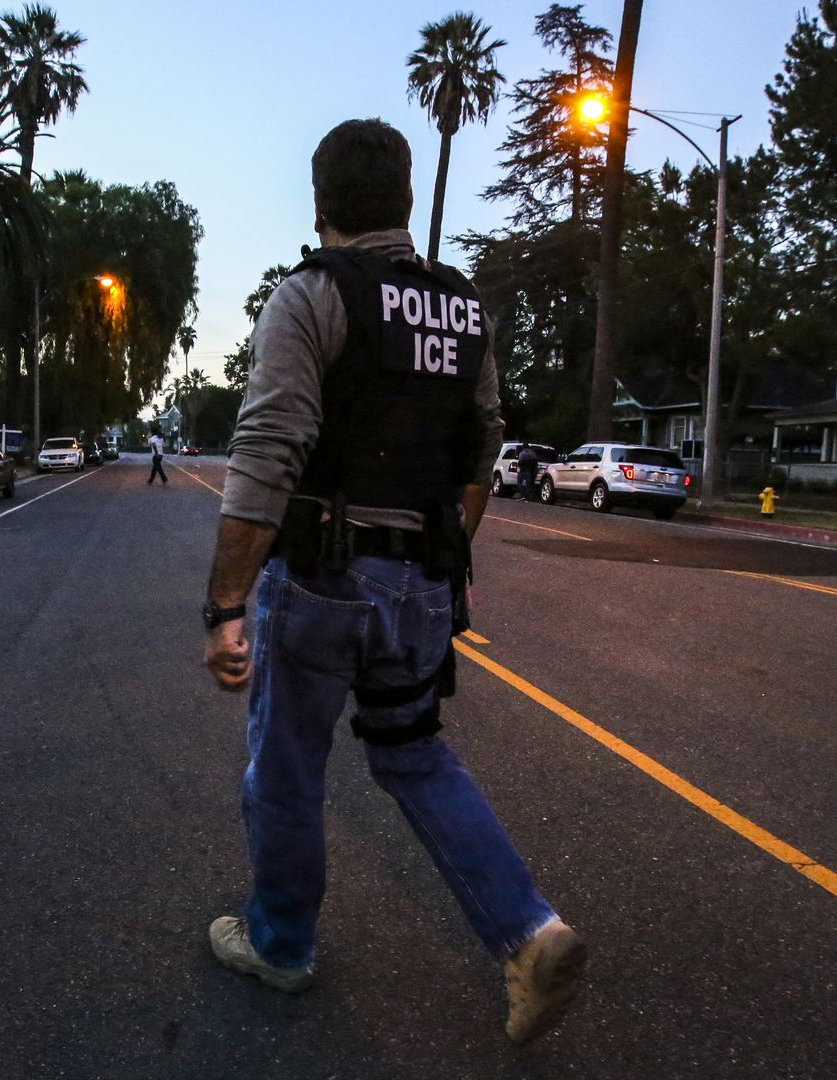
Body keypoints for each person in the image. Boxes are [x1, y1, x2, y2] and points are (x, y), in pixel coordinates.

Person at [200, 118, 583, 1044]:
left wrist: (225, 604)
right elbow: (483, 453)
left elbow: (267, 455)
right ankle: (529, 931)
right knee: (413, 754)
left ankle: (281, 943)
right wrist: (439, 564)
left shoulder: (310, 296)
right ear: (406, 200)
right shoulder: (463, 311)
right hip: (420, 584)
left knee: (287, 766)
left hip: (320, 584)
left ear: (320, 206)